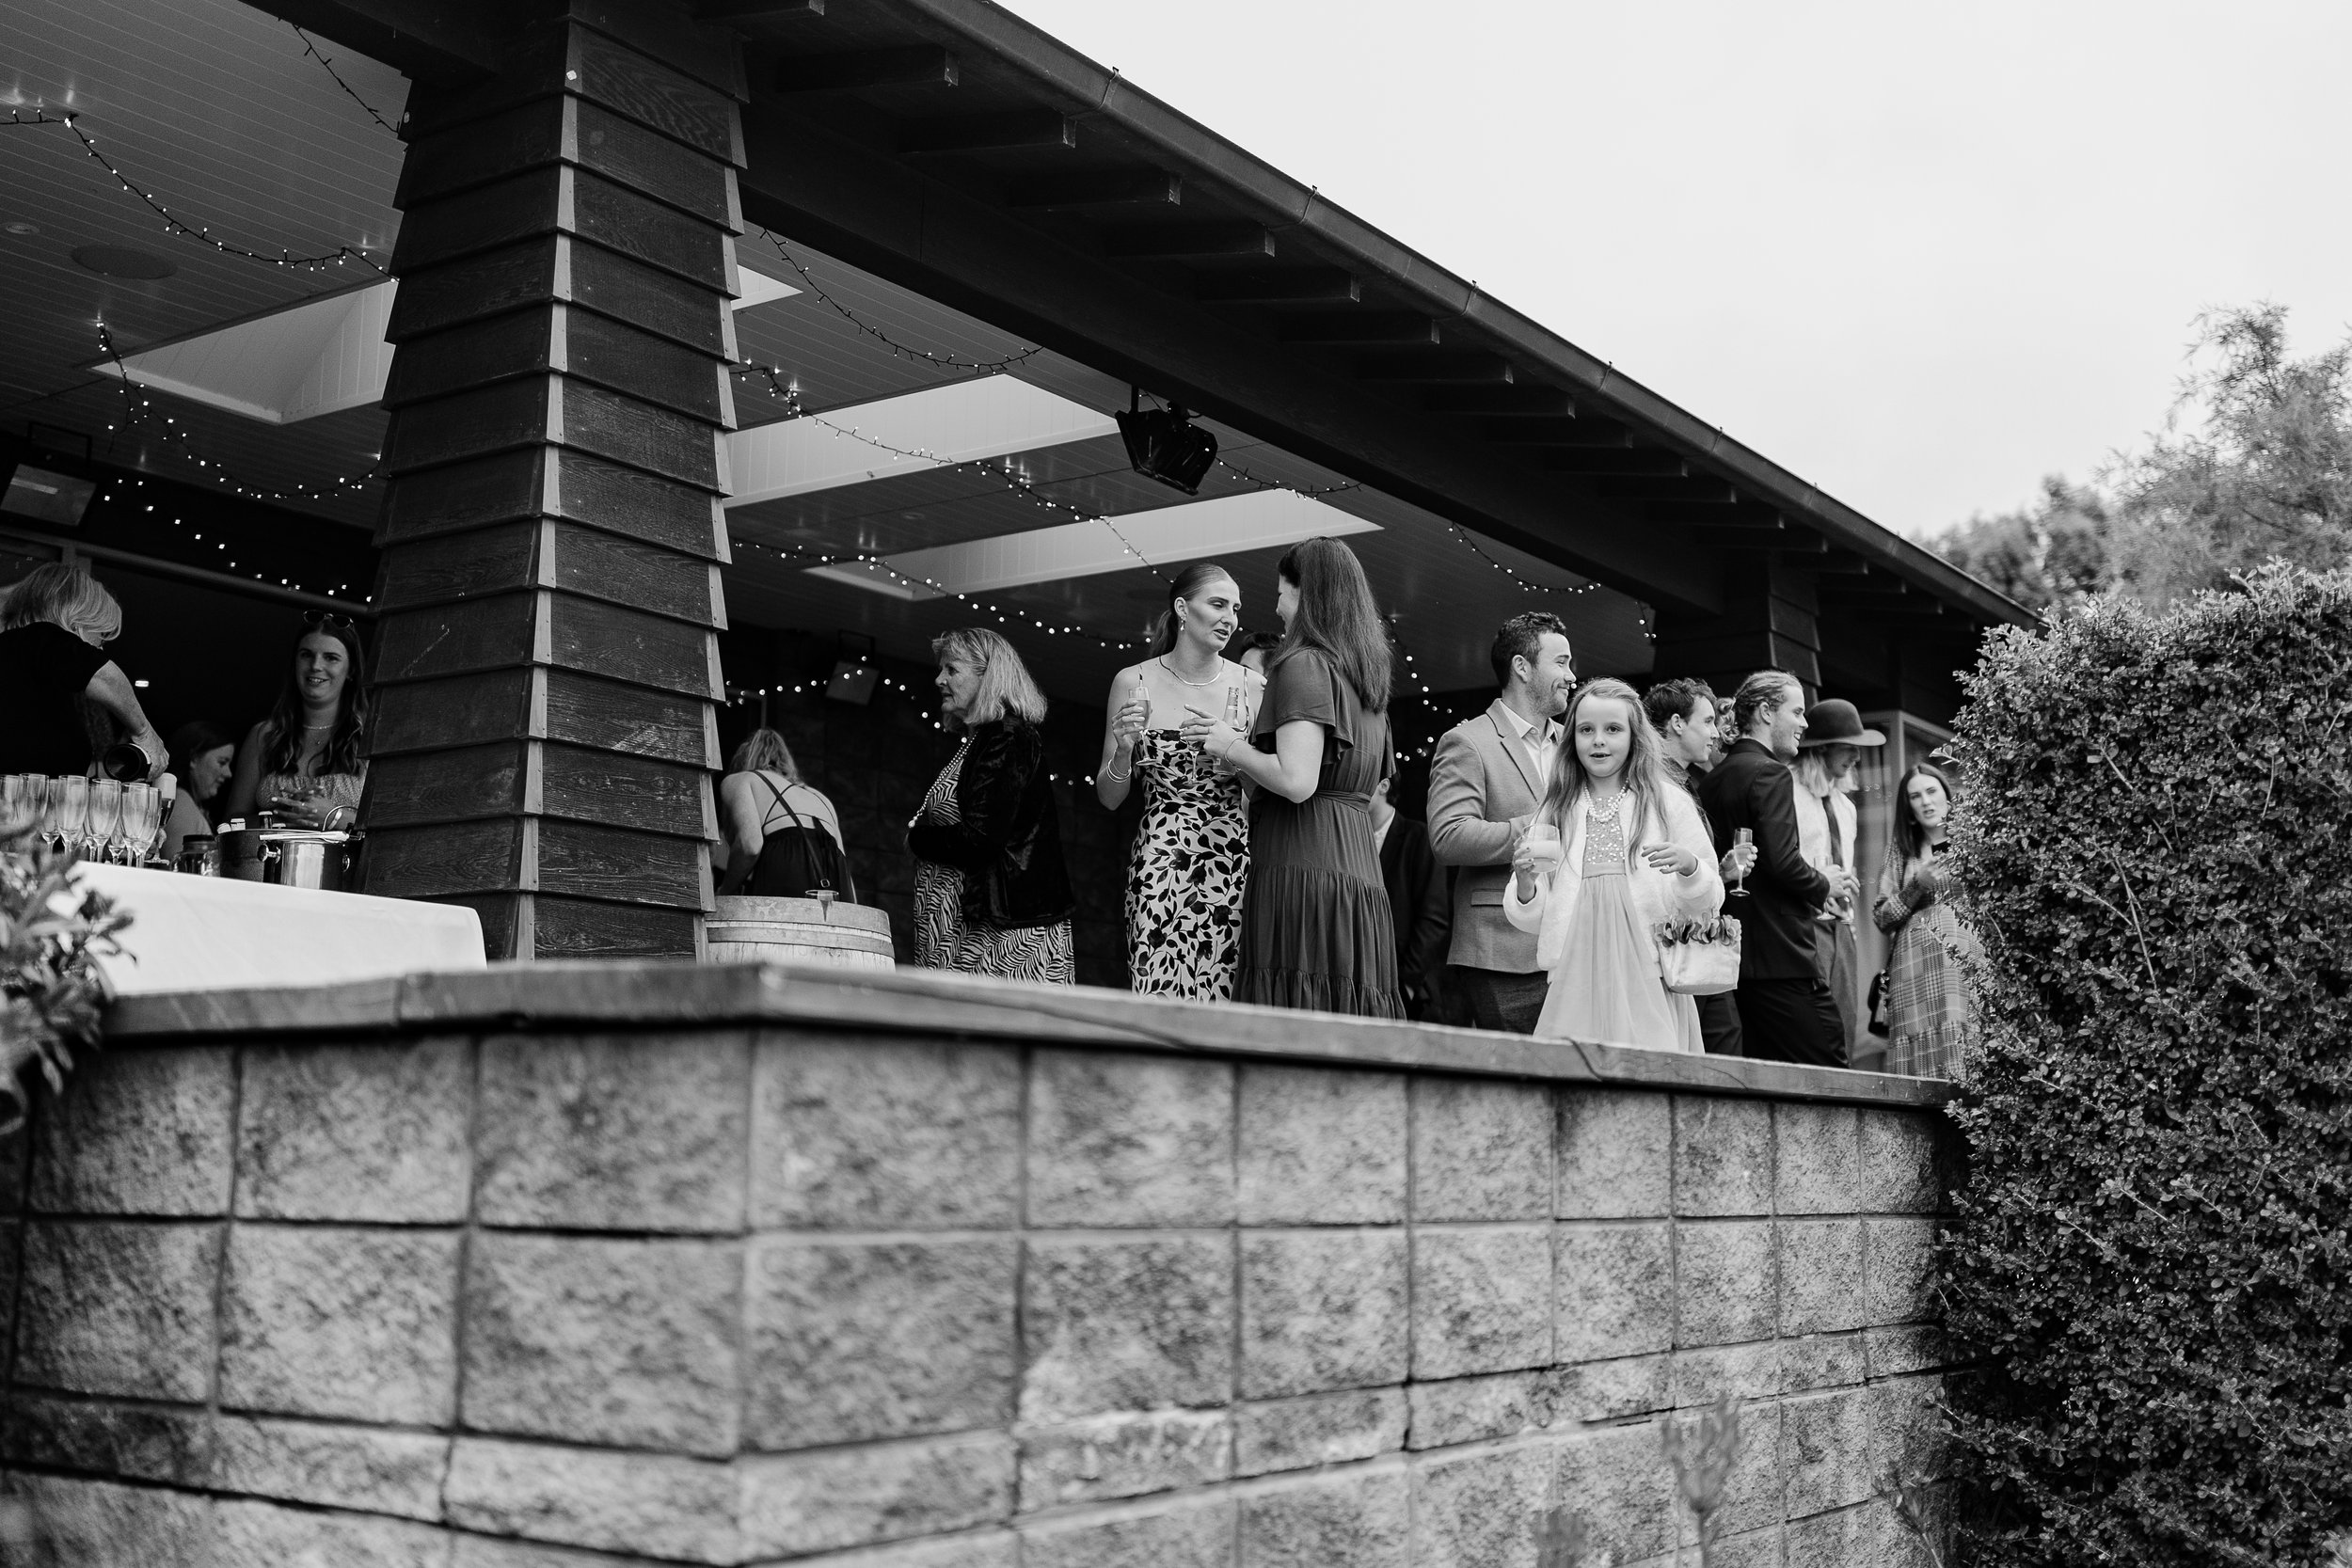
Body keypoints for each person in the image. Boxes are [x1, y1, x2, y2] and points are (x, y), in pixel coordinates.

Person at [1181, 536, 1401, 1018]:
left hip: (1302, 864)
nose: (1277, 607)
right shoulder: (1367, 678)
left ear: (1305, 594)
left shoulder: (1303, 663)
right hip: (1359, 872)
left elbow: (1298, 781)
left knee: (1292, 1017)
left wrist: (1229, 744)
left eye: (1281, 592)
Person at [1504, 677, 1723, 1051]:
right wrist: (1525, 885)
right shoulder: (1554, 809)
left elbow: (1711, 898)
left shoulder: (1667, 802)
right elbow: (1536, 915)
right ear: (1572, 738)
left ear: (1635, 736)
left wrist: (1691, 868)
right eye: (1586, 730)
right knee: (1574, 1072)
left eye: (1613, 729)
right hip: (1576, 973)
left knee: (1650, 1068)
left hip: (1648, 969)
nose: (1598, 740)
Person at [1097, 563, 1263, 1000]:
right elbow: (1110, 797)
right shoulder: (1133, 680)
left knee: (1227, 991)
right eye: (1218, 604)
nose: (1230, 618)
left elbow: (1270, 793)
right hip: (1160, 856)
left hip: (1232, 858)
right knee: (1156, 989)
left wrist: (1236, 756)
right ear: (1182, 609)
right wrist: (1124, 749)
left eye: (1236, 608)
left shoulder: (1254, 687)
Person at [1427, 610, 1577, 1032]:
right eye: (1562, 662)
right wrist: (1538, 827)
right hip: (1503, 950)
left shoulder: (1576, 742)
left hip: (1576, 946)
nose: (1571, 675)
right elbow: (1448, 837)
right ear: (1522, 667)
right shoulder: (1467, 741)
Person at [907, 628, 1075, 983]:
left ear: (989, 676)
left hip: (1001, 936)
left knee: (996, 1030)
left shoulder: (1006, 736)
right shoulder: (982, 738)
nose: (939, 679)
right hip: (970, 930)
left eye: (952, 670)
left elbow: (981, 838)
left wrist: (917, 840)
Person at [1698, 671, 1843, 1068]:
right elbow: (1782, 862)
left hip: (1733, 960)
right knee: (1829, 1067)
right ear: (1765, 712)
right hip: (1781, 956)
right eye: (1797, 712)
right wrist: (1823, 883)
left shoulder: (1711, 781)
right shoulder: (1770, 772)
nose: (1805, 723)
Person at [1645, 677, 1754, 1054]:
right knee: (1715, 1048)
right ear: (1677, 723)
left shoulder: (1687, 779)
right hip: (1674, 942)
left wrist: (1717, 872)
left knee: (1720, 1043)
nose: (1715, 733)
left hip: (1694, 938)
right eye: (1707, 722)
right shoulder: (1651, 782)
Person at [0, 563, 165, 780]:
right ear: (76, 620)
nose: (100, 648)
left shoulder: (31, 677)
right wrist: (145, 733)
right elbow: (101, 672)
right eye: (101, 635)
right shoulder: (38, 638)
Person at [1873, 761, 1979, 1078]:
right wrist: (1917, 884)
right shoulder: (1901, 850)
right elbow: (1881, 917)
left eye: (1931, 791)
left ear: (1948, 797)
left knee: (1967, 1046)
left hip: (1965, 968)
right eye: (1915, 796)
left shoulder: (1972, 839)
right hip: (1913, 973)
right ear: (1909, 808)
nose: (1926, 802)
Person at [1792, 700, 1883, 1062]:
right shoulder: (1787, 791)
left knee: (1845, 1025)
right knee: (1813, 1029)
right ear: (1823, 747)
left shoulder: (1845, 806)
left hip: (1842, 928)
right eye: (1849, 748)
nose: (1856, 758)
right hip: (1805, 925)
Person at [221, 614, 370, 831]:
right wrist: (282, 817)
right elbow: (229, 824)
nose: (316, 665)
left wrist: (332, 816)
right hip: (271, 863)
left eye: (331, 658)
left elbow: (389, 825)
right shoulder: (264, 736)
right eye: (307, 655)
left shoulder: (371, 737)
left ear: (352, 670)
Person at [717, 728, 850, 898]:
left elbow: (750, 845)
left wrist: (726, 890)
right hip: (834, 882)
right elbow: (844, 869)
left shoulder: (742, 779)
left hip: (786, 869)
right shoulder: (820, 798)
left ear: (742, 760)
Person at [1372, 769, 1453, 1022]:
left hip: (1405, 988)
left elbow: (1433, 920)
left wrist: (1406, 984)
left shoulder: (1419, 837)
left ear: (1383, 786)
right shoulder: (1347, 840)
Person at [160, 719, 237, 863]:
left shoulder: (187, 803)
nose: (228, 773)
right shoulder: (180, 804)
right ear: (194, 758)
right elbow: (178, 870)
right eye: (222, 762)